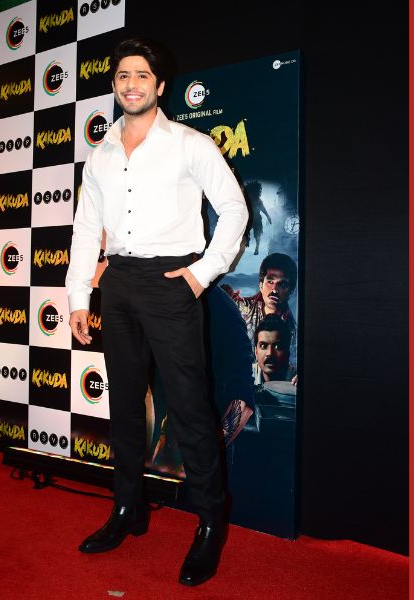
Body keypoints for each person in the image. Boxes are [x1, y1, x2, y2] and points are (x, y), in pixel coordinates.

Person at [65, 37, 248, 587]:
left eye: (142, 75)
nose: (131, 84)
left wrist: (200, 273)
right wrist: (78, 297)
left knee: (190, 407)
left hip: (173, 283)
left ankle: (210, 521)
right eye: (123, 75)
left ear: (160, 85)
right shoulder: (100, 153)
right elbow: (85, 229)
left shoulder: (190, 143)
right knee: (124, 405)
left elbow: (234, 209)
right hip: (117, 283)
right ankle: (128, 508)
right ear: (114, 84)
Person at [253, 315, 296, 384]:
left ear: (288, 352)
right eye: (263, 346)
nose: (270, 353)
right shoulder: (245, 374)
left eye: (278, 347)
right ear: (256, 352)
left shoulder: (299, 377)